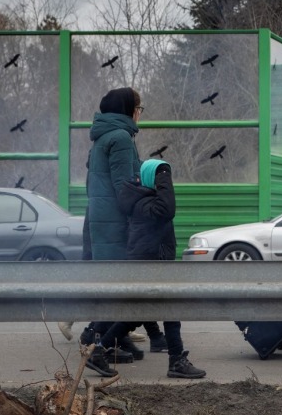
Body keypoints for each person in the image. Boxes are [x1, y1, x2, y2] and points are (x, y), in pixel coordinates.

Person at [83, 159, 206, 379]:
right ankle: (176, 360)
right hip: (151, 265)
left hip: (150, 264)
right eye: (160, 177)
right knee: (168, 312)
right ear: (154, 178)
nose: (165, 181)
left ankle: (98, 349)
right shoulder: (146, 204)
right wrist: (164, 173)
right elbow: (168, 209)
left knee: (135, 315)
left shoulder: (143, 200)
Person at [79, 87, 145, 364]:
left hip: (102, 218)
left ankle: (114, 335)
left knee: (113, 280)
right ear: (128, 109)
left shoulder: (104, 137)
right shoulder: (120, 138)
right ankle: (97, 340)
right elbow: (124, 186)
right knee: (118, 282)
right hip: (115, 222)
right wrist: (144, 205)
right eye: (139, 108)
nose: (140, 114)